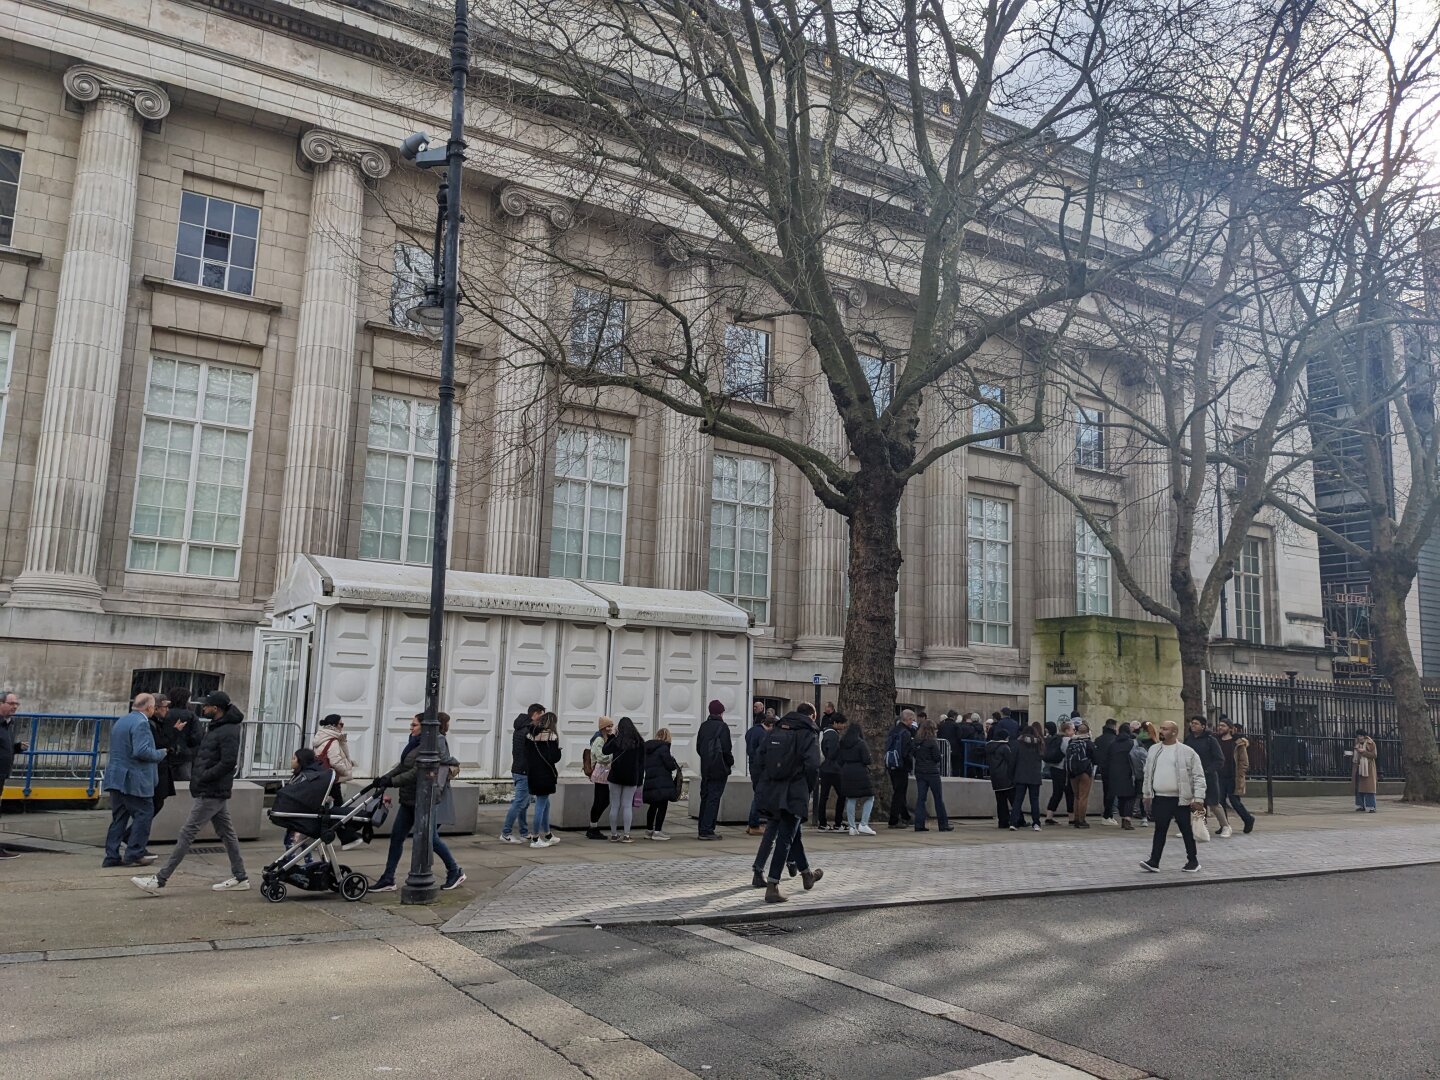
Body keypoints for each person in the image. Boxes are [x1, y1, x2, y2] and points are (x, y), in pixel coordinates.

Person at [132, 690, 249, 893]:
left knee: (187, 832)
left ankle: (160, 879)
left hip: (212, 790)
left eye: (207, 705)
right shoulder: (219, 727)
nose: (202, 708)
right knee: (227, 834)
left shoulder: (228, 730)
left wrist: (204, 776)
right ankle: (241, 877)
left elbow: (228, 762)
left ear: (217, 708)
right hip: (212, 788)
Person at [368, 712, 466, 892]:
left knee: (430, 839)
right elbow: (403, 765)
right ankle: (388, 878)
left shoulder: (434, 741)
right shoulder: (414, 741)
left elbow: (417, 771)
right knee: (397, 837)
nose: (410, 728)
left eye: (414, 725)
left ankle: (455, 870)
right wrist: (384, 778)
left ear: (425, 726)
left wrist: (392, 782)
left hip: (424, 799)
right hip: (409, 798)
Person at [750, 708, 822, 903]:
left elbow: (759, 758)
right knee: (786, 837)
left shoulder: (776, 729)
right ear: (812, 716)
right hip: (794, 790)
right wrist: (807, 788)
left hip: (773, 789)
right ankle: (773, 885)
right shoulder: (808, 732)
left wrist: (761, 784)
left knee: (792, 833)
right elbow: (814, 764)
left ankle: (807, 874)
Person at [103, 693, 166, 869]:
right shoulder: (141, 723)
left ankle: (111, 855)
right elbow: (141, 751)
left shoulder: (122, 721)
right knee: (144, 814)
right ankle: (134, 853)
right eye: (153, 706)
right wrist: (160, 753)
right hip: (133, 780)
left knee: (119, 818)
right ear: (149, 708)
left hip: (116, 778)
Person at [1140, 719, 1206, 873]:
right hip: (1160, 797)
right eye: (1161, 728)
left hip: (1181, 798)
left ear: (1174, 732)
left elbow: (1198, 776)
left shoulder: (1187, 752)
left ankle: (1193, 860)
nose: (1162, 731)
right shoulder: (1154, 750)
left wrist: (1198, 798)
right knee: (1159, 830)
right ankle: (1154, 861)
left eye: (1166, 729)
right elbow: (1147, 773)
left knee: (1186, 830)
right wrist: (1147, 794)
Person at [500, 702, 544, 844]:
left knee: (524, 803)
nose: (541, 720)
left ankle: (524, 832)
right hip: (524, 770)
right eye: (541, 716)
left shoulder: (520, 728)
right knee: (519, 802)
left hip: (519, 769)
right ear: (535, 714)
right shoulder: (528, 731)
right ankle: (506, 832)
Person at [1186, 716, 1231, 837]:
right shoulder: (1188, 740)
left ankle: (1225, 826)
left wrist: (1208, 770)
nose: (1193, 725)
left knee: (1214, 803)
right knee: (1196, 802)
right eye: (1192, 723)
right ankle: (1200, 826)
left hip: (1208, 776)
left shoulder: (1211, 740)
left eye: (1196, 723)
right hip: (1193, 776)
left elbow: (1219, 759)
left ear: (1203, 726)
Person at [696, 700, 734, 840]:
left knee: (705, 798)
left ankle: (702, 828)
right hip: (718, 768)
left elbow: (698, 747)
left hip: (706, 768)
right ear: (721, 712)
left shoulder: (704, 726)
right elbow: (726, 749)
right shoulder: (723, 727)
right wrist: (729, 763)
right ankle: (707, 830)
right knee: (714, 798)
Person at [604, 716, 645, 842]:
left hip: (615, 776)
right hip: (631, 777)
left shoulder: (617, 741)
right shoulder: (639, 742)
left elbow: (605, 750)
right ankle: (626, 835)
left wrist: (611, 737)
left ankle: (614, 834)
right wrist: (639, 781)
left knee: (615, 805)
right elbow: (641, 763)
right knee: (627, 806)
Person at [525, 711, 562, 848]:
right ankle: (535, 838)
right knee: (540, 806)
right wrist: (558, 751)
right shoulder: (551, 736)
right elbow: (554, 758)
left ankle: (547, 834)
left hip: (533, 773)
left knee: (546, 804)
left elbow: (526, 754)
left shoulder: (530, 735)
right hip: (545, 774)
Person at [148, 696, 179, 841]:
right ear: (155, 708)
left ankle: (131, 838)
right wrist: (174, 733)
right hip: (156, 769)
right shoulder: (150, 724)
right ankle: (131, 838)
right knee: (153, 805)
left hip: (160, 768)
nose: (167, 709)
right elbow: (160, 744)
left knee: (156, 803)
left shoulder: (159, 723)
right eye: (164, 707)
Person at [912, 719, 953, 832]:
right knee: (938, 798)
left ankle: (919, 824)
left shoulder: (917, 741)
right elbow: (936, 757)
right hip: (932, 772)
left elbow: (914, 754)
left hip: (920, 771)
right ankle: (943, 824)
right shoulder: (932, 741)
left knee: (921, 799)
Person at [1216, 719, 1256, 833]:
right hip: (1219, 776)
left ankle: (1248, 819)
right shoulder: (1216, 741)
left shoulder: (1238, 743)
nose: (1220, 728)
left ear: (1230, 728)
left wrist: (1241, 773)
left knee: (1234, 801)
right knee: (1220, 801)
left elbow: (1244, 761)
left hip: (1233, 776)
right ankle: (1224, 825)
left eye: (1223, 726)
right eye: (1219, 725)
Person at [642, 727, 682, 840]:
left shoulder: (648, 748)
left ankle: (649, 830)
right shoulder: (663, 748)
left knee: (653, 806)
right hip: (662, 782)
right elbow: (669, 765)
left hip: (650, 780)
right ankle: (658, 831)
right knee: (663, 806)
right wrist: (673, 762)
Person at [837, 716, 875, 835]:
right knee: (870, 797)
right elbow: (867, 760)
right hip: (860, 771)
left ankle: (852, 826)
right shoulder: (860, 743)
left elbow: (839, 759)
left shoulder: (842, 742)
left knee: (851, 798)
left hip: (846, 770)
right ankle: (863, 824)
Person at [0, 690, 24, 859]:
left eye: (16, 704)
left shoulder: (9, 724)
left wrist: (16, 747)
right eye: (11, 703)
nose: (14, 707)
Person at [1010, 722, 1044, 831]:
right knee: (1034, 800)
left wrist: (1012, 774)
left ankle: (1014, 823)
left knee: (1018, 800)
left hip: (1020, 775)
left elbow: (1013, 760)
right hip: (1034, 776)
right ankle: (1036, 823)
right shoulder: (1039, 744)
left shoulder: (1017, 743)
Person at [584, 715, 615, 840]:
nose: (610, 728)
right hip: (600, 774)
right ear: (602, 727)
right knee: (600, 800)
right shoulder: (599, 740)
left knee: (603, 800)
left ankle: (593, 827)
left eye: (611, 726)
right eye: (608, 726)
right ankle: (592, 827)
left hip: (605, 774)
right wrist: (613, 754)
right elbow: (601, 758)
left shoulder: (606, 738)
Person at [814, 711, 846, 830]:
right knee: (842, 795)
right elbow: (832, 753)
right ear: (836, 723)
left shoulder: (826, 732)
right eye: (842, 723)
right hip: (833, 769)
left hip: (825, 769)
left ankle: (822, 822)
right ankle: (838, 822)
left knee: (824, 796)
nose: (843, 726)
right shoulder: (833, 735)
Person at [885, 709, 916, 828]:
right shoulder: (905, 733)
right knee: (899, 792)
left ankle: (905, 816)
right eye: (912, 720)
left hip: (892, 764)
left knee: (900, 791)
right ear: (908, 719)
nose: (912, 722)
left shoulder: (894, 730)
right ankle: (893, 820)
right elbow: (905, 752)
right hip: (901, 766)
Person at [744, 702, 771, 836]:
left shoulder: (751, 731)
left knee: (757, 794)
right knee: (759, 796)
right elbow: (763, 752)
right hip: (760, 768)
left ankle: (752, 824)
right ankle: (754, 824)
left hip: (752, 766)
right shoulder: (763, 734)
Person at [164, 687, 201, 782]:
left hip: (166, 754)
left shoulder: (165, 715)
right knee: (184, 784)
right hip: (185, 755)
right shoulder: (191, 716)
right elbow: (197, 737)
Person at [985, 724, 1018, 829]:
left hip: (995, 777)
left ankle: (1002, 821)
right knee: (1014, 800)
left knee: (1000, 801)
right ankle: (1018, 819)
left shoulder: (989, 747)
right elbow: (1011, 762)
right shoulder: (1004, 747)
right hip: (1006, 777)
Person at [1107, 723, 1138, 830]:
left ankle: (1123, 817)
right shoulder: (1132, 743)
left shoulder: (1113, 744)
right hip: (1129, 773)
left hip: (1115, 773)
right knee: (1130, 796)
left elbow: (1108, 758)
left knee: (1121, 797)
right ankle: (1127, 819)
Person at [1041, 720, 1073, 825]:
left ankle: (1049, 816)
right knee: (1069, 793)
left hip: (1053, 768)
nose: (1073, 731)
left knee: (1056, 793)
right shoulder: (1067, 740)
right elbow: (1068, 753)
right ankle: (1071, 818)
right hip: (1063, 769)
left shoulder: (1054, 738)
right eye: (1072, 729)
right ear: (1067, 730)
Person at [1066, 721, 1096, 828]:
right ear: (1088, 732)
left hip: (1072, 772)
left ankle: (1076, 818)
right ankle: (1082, 820)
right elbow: (1095, 758)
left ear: (1077, 731)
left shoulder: (1071, 742)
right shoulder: (1089, 743)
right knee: (1084, 796)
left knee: (1077, 796)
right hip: (1085, 772)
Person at [312, 714, 356, 787]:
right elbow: (335, 762)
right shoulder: (333, 741)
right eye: (341, 724)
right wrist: (346, 771)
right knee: (337, 796)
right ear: (333, 725)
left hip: (323, 774)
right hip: (333, 776)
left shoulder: (321, 737)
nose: (342, 726)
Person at [1094, 718, 1119, 823]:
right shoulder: (1115, 739)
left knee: (1106, 791)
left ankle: (1107, 814)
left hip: (1103, 768)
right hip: (1113, 768)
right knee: (1111, 792)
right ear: (1114, 726)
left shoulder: (1099, 739)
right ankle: (1107, 815)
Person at [1131, 723, 1154, 825]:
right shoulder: (1154, 741)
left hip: (1138, 772)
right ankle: (1147, 815)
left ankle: (1141, 815)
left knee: (1138, 795)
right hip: (1149, 771)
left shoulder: (1138, 740)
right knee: (1147, 794)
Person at [1352, 729, 1379, 812]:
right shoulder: (1357, 743)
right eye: (1358, 736)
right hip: (1359, 767)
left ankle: (1371, 806)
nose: (1359, 737)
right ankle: (1361, 805)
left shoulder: (1371, 743)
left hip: (1368, 768)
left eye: (1360, 736)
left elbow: (1374, 755)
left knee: (1369, 788)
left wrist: (1364, 752)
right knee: (1359, 788)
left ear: (1364, 736)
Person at [937, 710, 963, 777]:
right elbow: (959, 736)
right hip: (955, 748)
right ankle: (955, 778)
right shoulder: (956, 725)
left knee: (945, 764)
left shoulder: (941, 725)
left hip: (944, 747)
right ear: (954, 716)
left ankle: (944, 775)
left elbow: (938, 735)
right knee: (955, 765)